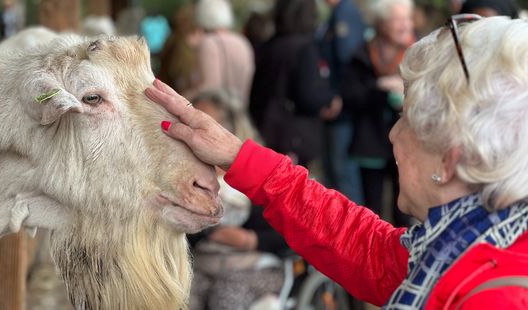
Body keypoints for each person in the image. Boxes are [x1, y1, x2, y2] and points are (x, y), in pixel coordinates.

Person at [148, 15, 528, 308]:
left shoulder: (492, 295)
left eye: (406, 120)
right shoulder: (461, 244)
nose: (393, 136)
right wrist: (236, 155)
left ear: (449, 160)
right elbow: (368, 249)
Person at [186, 89, 289, 310]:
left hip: (260, 266)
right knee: (181, 294)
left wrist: (251, 240)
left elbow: (291, 233)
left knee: (227, 294)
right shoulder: (188, 176)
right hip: (206, 264)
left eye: (204, 123)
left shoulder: (259, 174)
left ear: (229, 130)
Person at [341, 0, 415, 226]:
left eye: (407, 19)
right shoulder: (362, 53)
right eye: (397, 20)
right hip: (370, 142)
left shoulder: (418, 52)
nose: (405, 25)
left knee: (405, 208)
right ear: (382, 23)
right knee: (371, 210)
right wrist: (380, 88)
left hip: (407, 143)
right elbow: (350, 95)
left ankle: (404, 256)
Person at [249, 0, 342, 167]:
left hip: (267, 129)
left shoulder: (270, 45)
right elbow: (308, 96)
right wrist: (330, 98)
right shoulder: (304, 48)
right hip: (293, 137)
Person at [317, 0, 366, 203]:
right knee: (333, 170)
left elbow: (347, 59)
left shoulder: (345, 13)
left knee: (342, 171)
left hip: (342, 109)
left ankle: (355, 232)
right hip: (334, 105)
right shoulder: (334, 14)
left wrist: (336, 95)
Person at [185, 0, 255, 108]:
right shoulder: (243, 42)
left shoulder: (209, 42)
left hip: (218, 114)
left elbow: (209, 86)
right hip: (240, 111)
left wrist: (182, 98)